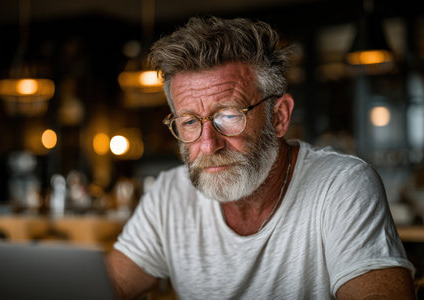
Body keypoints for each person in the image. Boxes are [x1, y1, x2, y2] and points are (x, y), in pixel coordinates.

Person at [107, 16, 416, 299]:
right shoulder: (169, 194)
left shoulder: (341, 186)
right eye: (189, 122)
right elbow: (109, 288)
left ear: (279, 117)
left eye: (228, 115)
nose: (208, 144)